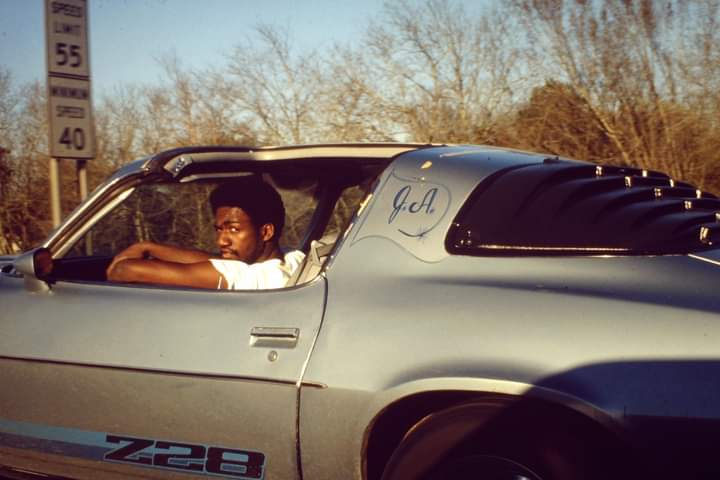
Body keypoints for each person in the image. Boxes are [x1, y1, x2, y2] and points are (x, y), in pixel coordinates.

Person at [106, 177, 305, 290]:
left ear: (266, 231)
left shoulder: (248, 278)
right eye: (219, 229)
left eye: (233, 229)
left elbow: (122, 270)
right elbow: (216, 261)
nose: (221, 241)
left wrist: (123, 261)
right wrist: (147, 247)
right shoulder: (294, 259)